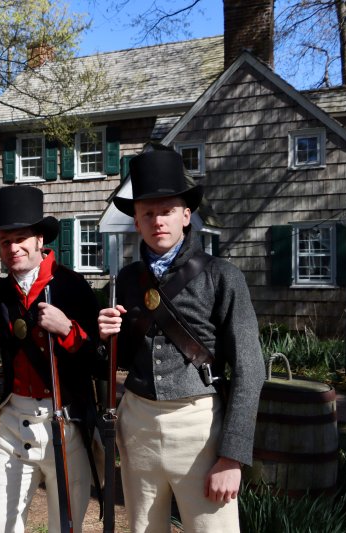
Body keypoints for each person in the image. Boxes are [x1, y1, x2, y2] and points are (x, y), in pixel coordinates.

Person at [98, 148, 265, 533]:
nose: (158, 220)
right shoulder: (126, 280)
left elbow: (250, 370)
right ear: (136, 222)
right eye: (147, 213)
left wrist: (232, 457)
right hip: (137, 423)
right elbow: (120, 358)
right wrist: (105, 339)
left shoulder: (223, 276)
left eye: (167, 210)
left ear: (186, 215)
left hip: (200, 426)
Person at [0, 185, 102, 533]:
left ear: (39, 240)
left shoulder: (74, 287)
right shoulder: (1, 291)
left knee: (67, 526)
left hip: (67, 422)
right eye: (4, 241)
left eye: (20, 238)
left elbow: (99, 361)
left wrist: (68, 330)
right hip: (15, 421)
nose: (13, 248)